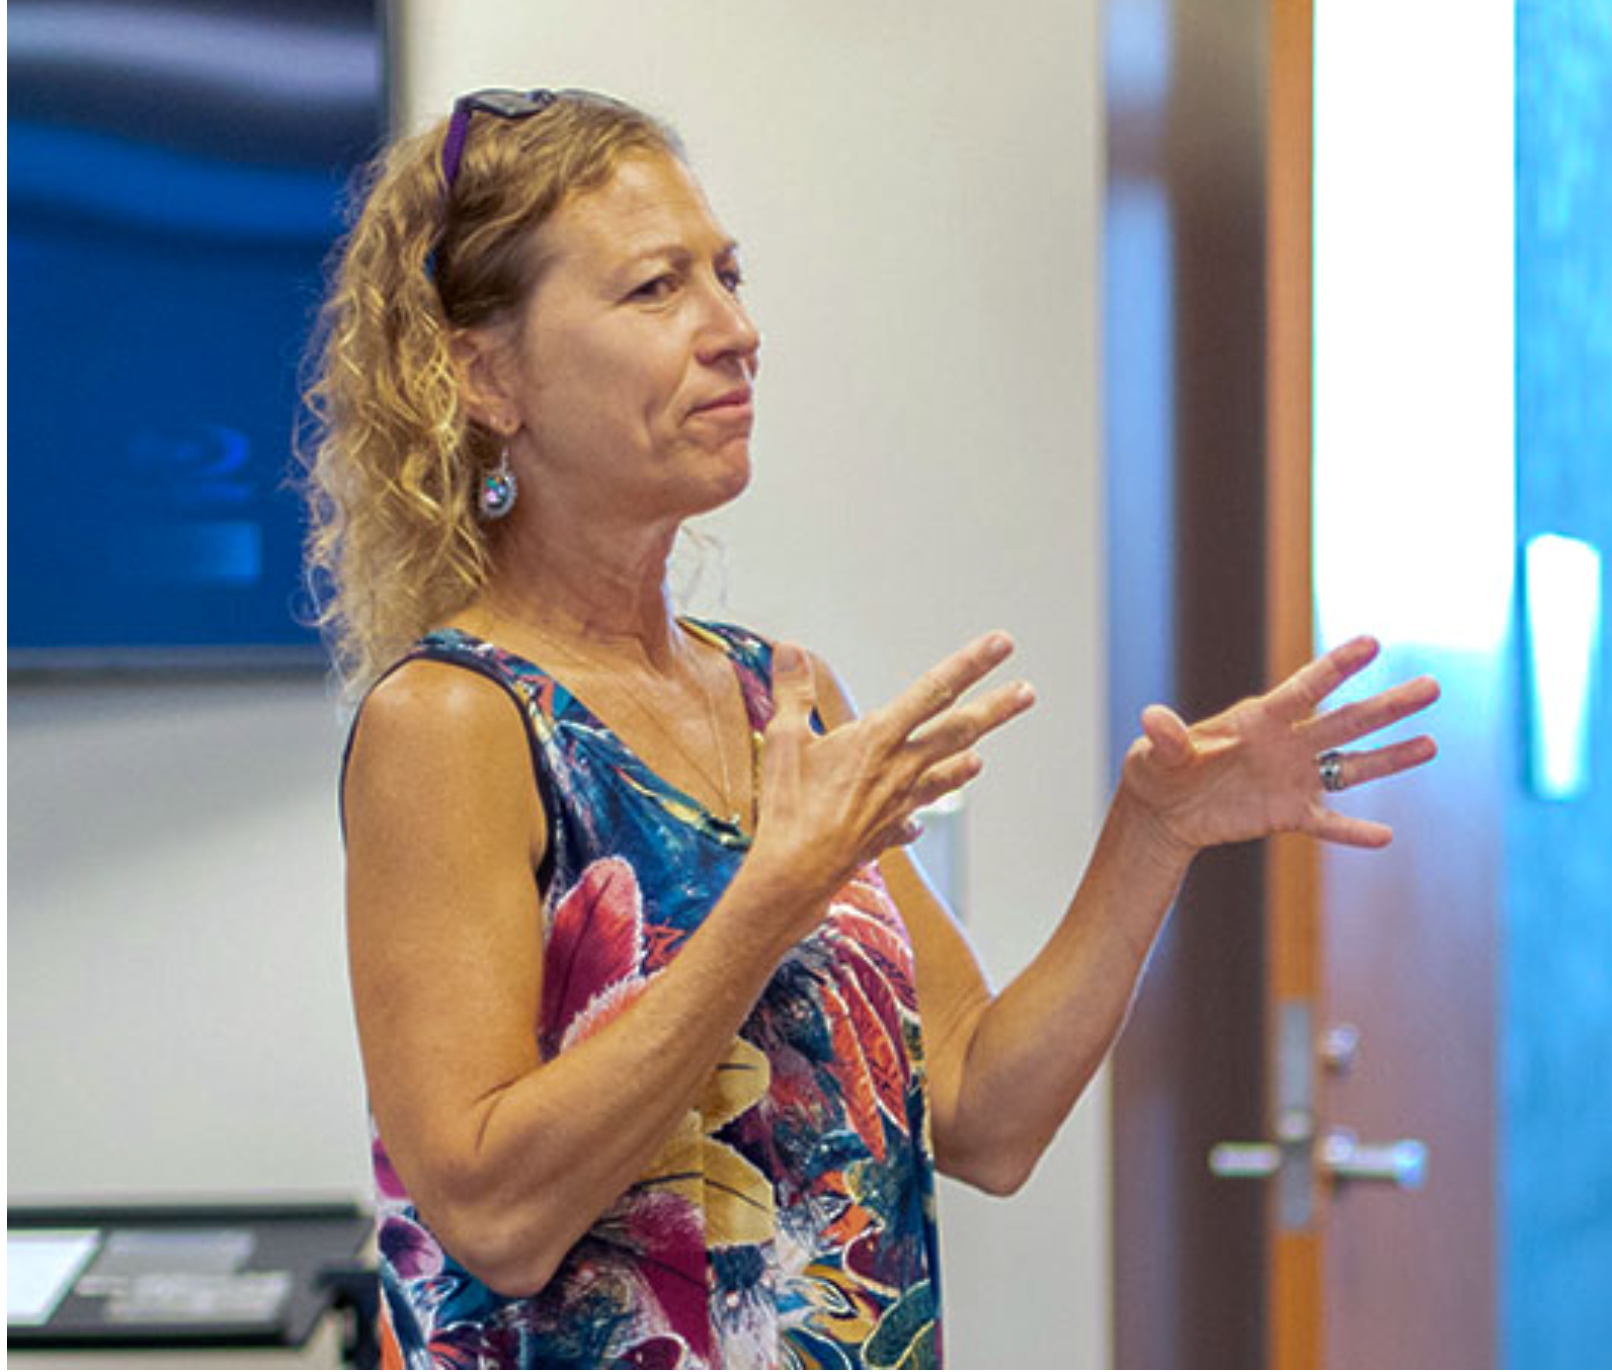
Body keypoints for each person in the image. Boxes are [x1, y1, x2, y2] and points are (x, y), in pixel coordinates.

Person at [301, 87, 1440, 1370]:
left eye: (726, 275)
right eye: (655, 291)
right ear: (485, 373)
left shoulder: (777, 695)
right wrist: (767, 900)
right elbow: (495, 1218)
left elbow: (983, 1114)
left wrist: (1153, 834)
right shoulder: (451, 721)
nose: (735, 331)